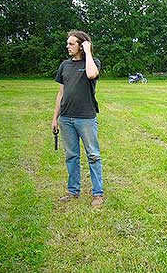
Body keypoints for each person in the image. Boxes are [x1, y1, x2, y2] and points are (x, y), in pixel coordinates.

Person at [51, 30, 104, 207]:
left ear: (81, 45)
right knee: (71, 156)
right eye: (68, 43)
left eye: (71, 43)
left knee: (93, 155)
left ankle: (97, 194)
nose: (67, 46)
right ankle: (73, 191)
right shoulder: (64, 66)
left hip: (86, 118)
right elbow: (60, 94)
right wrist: (55, 118)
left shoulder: (93, 63)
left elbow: (91, 75)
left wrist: (88, 52)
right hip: (66, 118)